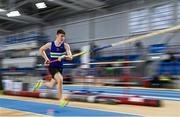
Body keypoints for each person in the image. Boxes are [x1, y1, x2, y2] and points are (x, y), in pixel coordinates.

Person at [33, 29, 73, 106]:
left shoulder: (66, 46)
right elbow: (41, 49)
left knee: (51, 85)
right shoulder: (50, 44)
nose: (63, 38)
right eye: (61, 36)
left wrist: (64, 56)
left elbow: (70, 57)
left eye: (64, 37)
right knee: (60, 79)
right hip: (52, 66)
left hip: (60, 68)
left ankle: (41, 83)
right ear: (57, 36)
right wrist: (46, 59)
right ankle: (61, 100)